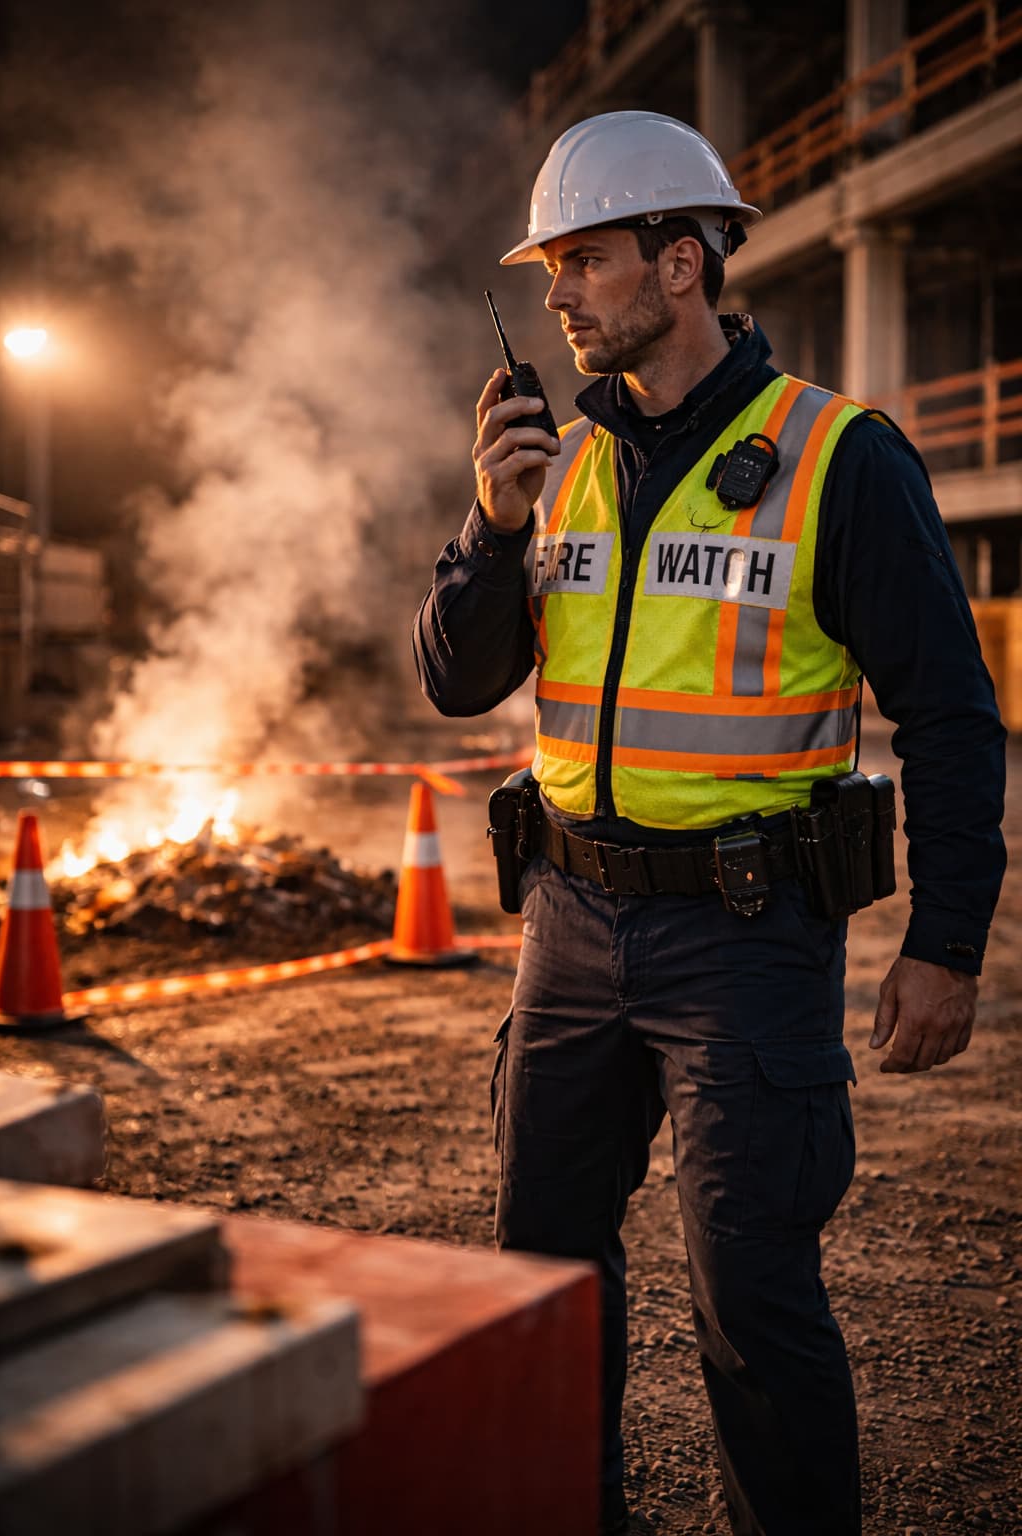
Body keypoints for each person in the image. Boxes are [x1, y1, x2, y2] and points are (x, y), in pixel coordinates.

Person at [412, 111, 1006, 1536]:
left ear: (683, 265)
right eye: (550, 268)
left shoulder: (837, 457)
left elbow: (951, 714)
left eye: (586, 260)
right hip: (567, 928)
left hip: (746, 941)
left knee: (753, 1296)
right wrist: (492, 530)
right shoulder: (558, 464)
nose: (559, 294)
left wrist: (948, 942)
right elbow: (455, 680)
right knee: (543, 1271)